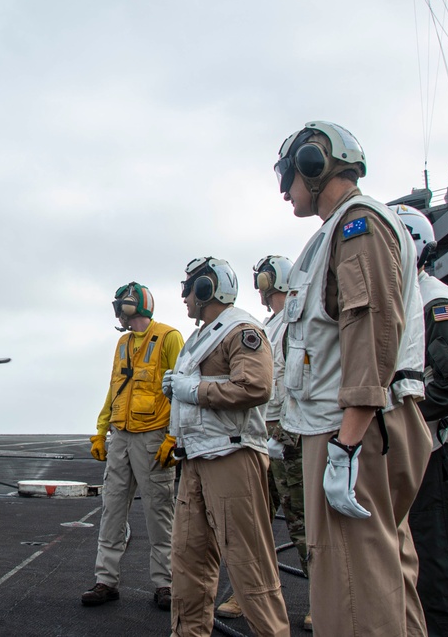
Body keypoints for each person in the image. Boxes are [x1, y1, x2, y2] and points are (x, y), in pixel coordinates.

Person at [274, 121, 432, 636]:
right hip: (364, 425)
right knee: (383, 575)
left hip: (353, 430)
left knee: (350, 588)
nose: (284, 190)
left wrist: (345, 445)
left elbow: (370, 330)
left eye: (288, 175)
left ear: (314, 166)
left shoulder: (355, 226)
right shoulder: (342, 231)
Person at [165, 257, 289, 637]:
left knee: (249, 562)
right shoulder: (200, 337)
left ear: (205, 289)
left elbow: (255, 387)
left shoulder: (241, 329)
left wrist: (194, 390)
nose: (184, 297)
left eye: (189, 288)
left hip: (232, 458)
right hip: (197, 459)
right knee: (188, 561)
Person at [391, 204, 448, 637]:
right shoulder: (407, 302)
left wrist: (391, 412)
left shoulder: (435, 303)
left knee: (442, 572)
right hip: (416, 450)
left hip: (438, 453)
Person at [215, 256, 312, 633]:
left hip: (288, 432)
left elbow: (298, 378)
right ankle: (250, 593)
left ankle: (321, 596)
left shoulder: (295, 322)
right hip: (262, 431)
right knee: (255, 520)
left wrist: (289, 428)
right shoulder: (267, 325)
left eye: (263, 277)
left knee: (301, 519)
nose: (261, 283)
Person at [82, 282, 184, 611]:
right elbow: (115, 388)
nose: (118, 313)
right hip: (121, 437)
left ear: (131, 306)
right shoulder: (122, 343)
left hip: (153, 436)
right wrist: (101, 430)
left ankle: (166, 584)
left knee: (159, 513)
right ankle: (105, 581)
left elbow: (180, 389)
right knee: (112, 510)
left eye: (120, 306)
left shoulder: (169, 337)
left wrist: (174, 436)